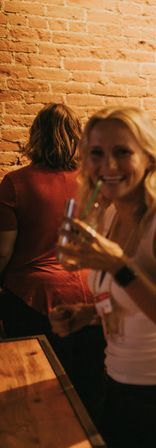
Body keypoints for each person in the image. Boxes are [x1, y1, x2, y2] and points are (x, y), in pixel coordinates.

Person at [49, 106, 156, 447]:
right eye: (96, 153)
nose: (107, 166)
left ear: (148, 157)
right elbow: (133, 300)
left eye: (122, 152)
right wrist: (88, 315)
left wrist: (118, 265)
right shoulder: (108, 216)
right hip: (118, 384)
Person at [0, 103, 105, 423]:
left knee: (42, 389)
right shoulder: (93, 181)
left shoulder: (15, 182)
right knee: (90, 385)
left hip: (34, 297)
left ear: (36, 136)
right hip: (89, 293)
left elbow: (3, 251)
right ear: (77, 137)